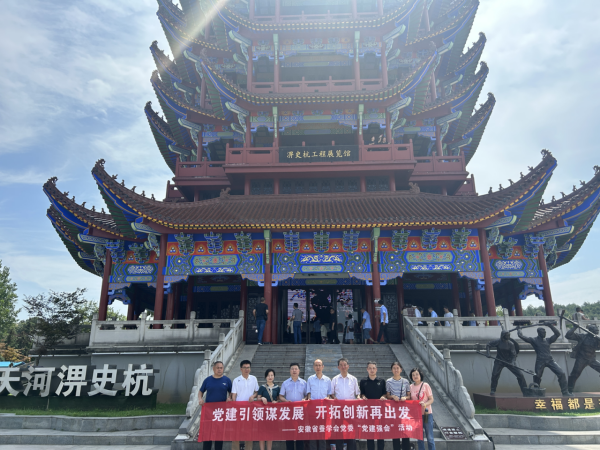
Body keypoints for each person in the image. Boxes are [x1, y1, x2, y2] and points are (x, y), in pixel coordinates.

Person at [518, 323, 570, 396]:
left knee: (561, 373)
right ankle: (536, 391)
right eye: (543, 332)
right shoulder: (534, 340)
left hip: (550, 360)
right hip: (540, 361)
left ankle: (565, 392)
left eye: (545, 332)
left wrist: (550, 325)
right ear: (539, 333)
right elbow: (521, 336)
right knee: (537, 376)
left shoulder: (548, 340)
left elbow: (557, 334)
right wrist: (519, 329)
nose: (544, 333)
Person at [198, 361, 232, 450]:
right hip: (209, 411)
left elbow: (231, 392)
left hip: (220, 412)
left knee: (219, 433)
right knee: (207, 432)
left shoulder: (227, 380)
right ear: (213, 369)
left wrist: (229, 398)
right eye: (218, 368)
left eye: (221, 368)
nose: (219, 369)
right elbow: (201, 391)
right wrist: (200, 399)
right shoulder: (208, 380)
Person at [486, 330, 527, 396]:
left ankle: (525, 390)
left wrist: (513, 362)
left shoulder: (511, 344)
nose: (508, 336)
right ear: (503, 335)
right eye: (507, 335)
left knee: (520, 375)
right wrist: (488, 353)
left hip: (509, 361)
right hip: (499, 361)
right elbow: (488, 344)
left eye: (509, 335)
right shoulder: (498, 341)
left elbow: (513, 355)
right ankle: (493, 389)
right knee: (494, 375)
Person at [331, 358, 359, 450]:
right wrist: (334, 398)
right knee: (339, 431)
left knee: (351, 431)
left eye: (345, 365)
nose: (343, 367)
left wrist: (359, 397)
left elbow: (357, 393)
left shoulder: (353, 379)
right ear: (338, 367)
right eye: (341, 365)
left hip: (350, 409)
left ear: (348, 366)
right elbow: (331, 393)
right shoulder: (335, 379)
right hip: (338, 409)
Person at [231, 360, 259, 450]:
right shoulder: (236, 380)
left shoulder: (253, 379)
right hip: (239, 409)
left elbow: (257, 392)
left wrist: (253, 396)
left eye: (248, 367)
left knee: (249, 431)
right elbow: (233, 395)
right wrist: (234, 406)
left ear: (250, 369)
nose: (246, 369)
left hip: (250, 409)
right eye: (245, 368)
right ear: (241, 369)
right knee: (236, 431)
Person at [279, 363, 307, 450]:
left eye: (296, 369)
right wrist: (286, 401)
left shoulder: (304, 383)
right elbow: (280, 396)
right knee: (289, 432)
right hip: (289, 411)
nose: (294, 370)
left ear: (299, 371)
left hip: (300, 411)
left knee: (300, 432)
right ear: (289, 371)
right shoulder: (285, 383)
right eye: (292, 369)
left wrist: (304, 399)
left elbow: (307, 395)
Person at [359, 361, 387, 450]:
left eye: (373, 368)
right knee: (370, 433)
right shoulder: (363, 381)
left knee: (380, 432)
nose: (372, 370)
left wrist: (383, 396)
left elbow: (385, 393)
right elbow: (362, 393)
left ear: (376, 369)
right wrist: (363, 396)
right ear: (367, 369)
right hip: (368, 411)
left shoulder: (382, 381)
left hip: (380, 410)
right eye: (370, 368)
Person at [306, 359, 333, 450]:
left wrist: (328, 398)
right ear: (313, 367)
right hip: (312, 409)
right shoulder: (310, 379)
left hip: (323, 410)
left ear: (323, 366)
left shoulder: (327, 380)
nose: (318, 367)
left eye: (319, 365)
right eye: (316, 365)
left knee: (322, 431)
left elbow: (329, 394)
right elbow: (308, 393)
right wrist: (309, 398)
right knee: (313, 431)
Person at [566, 323, 600, 393]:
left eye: (597, 330)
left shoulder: (596, 339)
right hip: (581, 358)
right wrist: (574, 327)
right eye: (595, 330)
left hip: (592, 359)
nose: (597, 331)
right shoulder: (582, 336)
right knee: (575, 373)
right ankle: (569, 389)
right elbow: (568, 335)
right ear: (590, 331)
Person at [386, 362, 411, 450]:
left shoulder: (406, 381)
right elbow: (387, 395)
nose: (396, 370)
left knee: (405, 433)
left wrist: (405, 397)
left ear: (401, 369)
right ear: (391, 370)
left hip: (404, 411)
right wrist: (392, 396)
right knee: (395, 433)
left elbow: (409, 395)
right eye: (394, 368)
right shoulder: (388, 381)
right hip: (394, 411)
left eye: (397, 368)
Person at [410, 367, 435, 450]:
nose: (415, 376)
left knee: (430, 437)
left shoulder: (425, 385)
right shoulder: (410, 387)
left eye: (417, 374)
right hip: (416, 416)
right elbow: (409, 400)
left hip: (427, 414)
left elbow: (431, 399)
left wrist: (425, 404)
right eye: (413, 375)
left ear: (420, 375)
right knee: (419, 438)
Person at [257, 369, 280, 450]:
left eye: (272, 375)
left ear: (274, 376)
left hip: (272, 413)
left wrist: (276, 402)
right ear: (265, 377)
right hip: (263, 413)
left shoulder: (277, 387)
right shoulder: (262, 387)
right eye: (268, 375)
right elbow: (258, 398)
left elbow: (279, 399)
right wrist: (262, 398)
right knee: (262, 433)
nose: (270, 377)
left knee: (270, 433)